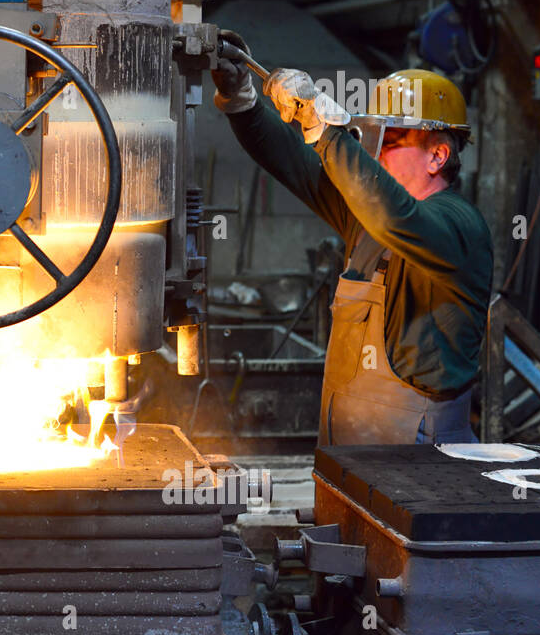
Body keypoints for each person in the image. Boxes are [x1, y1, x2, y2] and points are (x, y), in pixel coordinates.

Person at [211, 31, 492, 445]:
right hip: (347, 439)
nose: (375, 153)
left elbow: (398, 218)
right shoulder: (367, 217)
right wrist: (242, 100)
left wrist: (325, 131)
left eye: (391, 139)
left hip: (420, 453)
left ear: (438, 155)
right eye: (374, 136)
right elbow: (292, 161)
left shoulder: (459, 224)